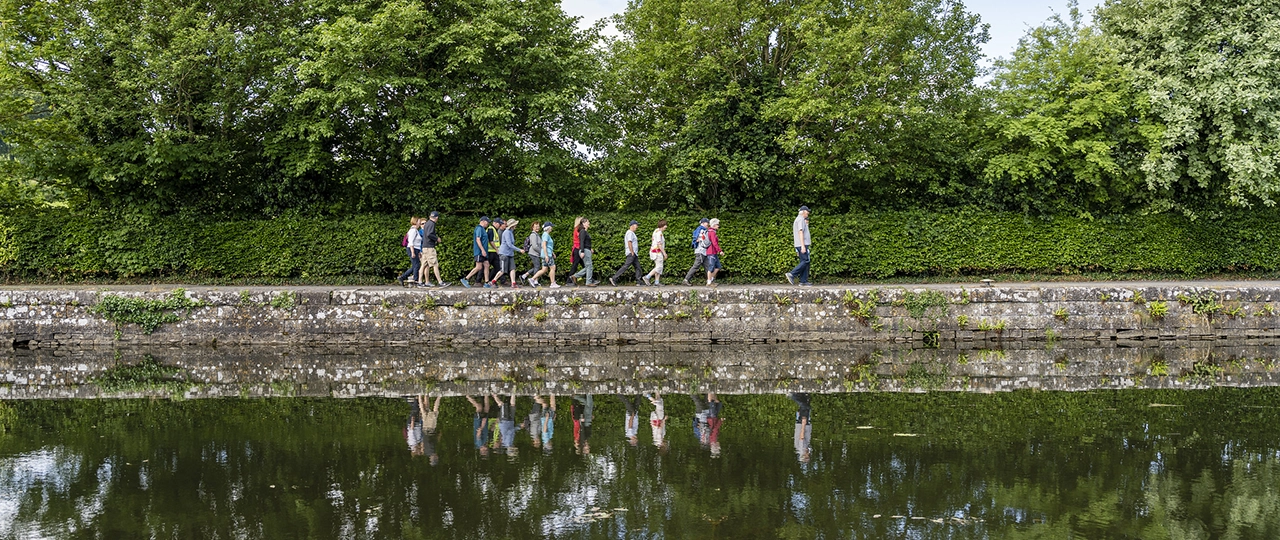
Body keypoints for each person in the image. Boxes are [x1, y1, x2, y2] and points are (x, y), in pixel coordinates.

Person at [609, 220, 644, 287]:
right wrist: (632, 251)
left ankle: (638, 281)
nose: (637, 227)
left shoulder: (632, 233)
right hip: (631, 253)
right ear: (633, 225)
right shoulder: (630, 233)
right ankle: (614, 278)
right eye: (636, 225)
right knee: (626, 266)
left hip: (634, 254)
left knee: (638, 267)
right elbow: (629, 242)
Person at [418, 211, 448, 288]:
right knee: (435, 264)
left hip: (424, 247)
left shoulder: (427, 223)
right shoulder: (432, 224)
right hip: (429, 248)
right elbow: (429, 234)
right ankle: (440, 282)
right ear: (437, 218)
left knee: (424, 265)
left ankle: (420, 282)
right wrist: (436, 238)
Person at [460, 216, 491, 288]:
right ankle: (466, 278)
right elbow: (478, 239)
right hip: (480, 252)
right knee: (479, 267)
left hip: (484, 252)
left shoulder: (483, 229)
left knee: (487, 265)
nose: (488, 223)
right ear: (483, 221)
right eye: (487, 222)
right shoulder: (479, 229)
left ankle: (486, 282)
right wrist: (482, 250)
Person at [786, 206, 811, 286]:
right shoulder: (800, 219)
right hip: (801, 244)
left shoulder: (799, 219)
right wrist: (802, 246)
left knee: (805, 262)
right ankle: (792, 274)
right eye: (807, 211)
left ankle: (803, 281)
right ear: (803, 212)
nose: (808, 213)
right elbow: (800, 232)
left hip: (800, 244)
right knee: (805, 261)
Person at [569, 218, 598, 286]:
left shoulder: (584, 231)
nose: (589, 223)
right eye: (588, 222)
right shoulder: (582, 231)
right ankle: (588, 282)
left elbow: (585, 242)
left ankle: (575, 276)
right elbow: (581, 241)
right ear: (584, 223)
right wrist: (582, 251)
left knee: (588, 266)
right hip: (584, 250)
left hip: (586, 249)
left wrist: (590, 248)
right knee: (589, 266)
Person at [530, 222, 559, 288]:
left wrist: (552, 253)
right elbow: (544, 245)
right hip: (547, 254)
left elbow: (548, 246)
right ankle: (552, 283)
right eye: (551, 227)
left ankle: (532, 279)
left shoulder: (545, 234)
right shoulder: (546, 235)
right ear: (548, 228)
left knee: (544, 269)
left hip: (546, 253)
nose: (552, 228)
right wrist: (547, 255)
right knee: (553, 267)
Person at [683, 218, 711, 286]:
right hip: (701, 251)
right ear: (703, 223)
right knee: (696, 266)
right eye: (707, 223)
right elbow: (702, 239)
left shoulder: (701, 229)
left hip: (703, 251)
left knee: (707, 266)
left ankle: (710, 281)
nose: (708, 224)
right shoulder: (702, 230)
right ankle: (686, 279)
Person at [497, 219, 524, 289]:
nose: (516, 226)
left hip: (510, 254)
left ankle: (513, 283)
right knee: (502, 271)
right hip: (504, 253)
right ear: (512, 225)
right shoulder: (507, 232)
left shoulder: (511, 232)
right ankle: (493, 281)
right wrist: (519, 250)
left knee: (512, 268)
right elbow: (509, 244)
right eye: (515, 224)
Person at [397, 217, 421, 287]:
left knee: (415, 265)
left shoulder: (416, 230)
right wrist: (413, 252)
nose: (420, 223)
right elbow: (411, 242)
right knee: (416, 265)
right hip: (412, 249)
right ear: (416, 222)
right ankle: (416, 280)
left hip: (416, 249)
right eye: (419, 221)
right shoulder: (413, 231)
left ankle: (402, 277)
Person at [643, 220, 668, 286]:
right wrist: (664, 253)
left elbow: (653, 239)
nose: (666, 226)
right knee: (659, 267)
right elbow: (659, 244)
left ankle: (656, 282)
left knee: (658, 267)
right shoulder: (659, 233)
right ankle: (647, 277)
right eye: (665, 225)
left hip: (654, 251)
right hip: (657, 252)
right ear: (662, 225)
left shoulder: (656, 231)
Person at [790, 392, 812, 463]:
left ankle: (793, 396)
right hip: (803, 424)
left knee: (806, 407)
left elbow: (801, 437)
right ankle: (801, 394)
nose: (808, 455)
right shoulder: (803, 449)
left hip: (802, 424)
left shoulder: (802, 449)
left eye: (807, 456)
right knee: (806, 404)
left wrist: (803, 423)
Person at [520, 222, 543, 287]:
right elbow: (535, 246)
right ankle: (535, 281)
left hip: (536, 253)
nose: (537, 228)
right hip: (534, 253)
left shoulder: (537, 234)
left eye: (538, 226)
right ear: (532, 227)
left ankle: (524, 276)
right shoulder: (533, 235)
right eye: (536, 226)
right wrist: (541, 252)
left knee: (536, 267)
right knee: (537, 267)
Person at [704, 218, 723, 287]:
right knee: (711, 267)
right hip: (711, 252)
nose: (718, 226)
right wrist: (720, 251)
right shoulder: (712, 232)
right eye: (717, 224)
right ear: (714, 225)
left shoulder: (712, 231)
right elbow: (714, 243)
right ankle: (709, 282)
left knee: (718, 266)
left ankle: (710, 280)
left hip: (713, 252)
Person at [486, 218, 503, 286]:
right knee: (486, 266)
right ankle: (479, 281)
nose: (500, 226)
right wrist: (496, 249)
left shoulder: (494, 230)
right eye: (499, 224)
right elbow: (491, 241)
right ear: (495, 223)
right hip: (490, 251)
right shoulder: (491, 229)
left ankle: (492, 281)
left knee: (498, 267)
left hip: (493, 252)